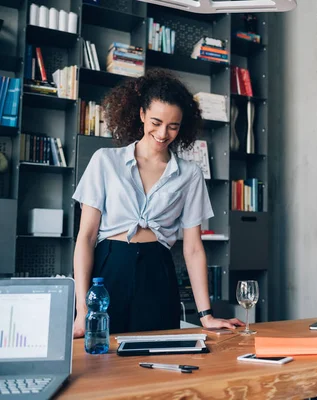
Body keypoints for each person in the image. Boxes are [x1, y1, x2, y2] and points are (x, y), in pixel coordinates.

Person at [72, 69, 243, 337]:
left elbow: (194, 248)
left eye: (173, 126)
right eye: (156, 121)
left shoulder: (189, 173)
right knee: (102, 363)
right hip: (109, 269)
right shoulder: (105, 160)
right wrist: (83, 311)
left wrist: (205, 315)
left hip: (158, 272)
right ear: (141, 115)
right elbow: (86, 237)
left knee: (160, 359)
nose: (163, 133)